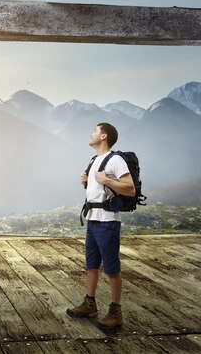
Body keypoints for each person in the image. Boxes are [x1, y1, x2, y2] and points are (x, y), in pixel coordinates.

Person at [66, 122, 135, 330]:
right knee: (91, 264)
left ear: (104, 136)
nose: (91, 133)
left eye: (95, 131)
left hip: (108, 222)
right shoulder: (95, 160)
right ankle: (90, 304)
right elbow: (99, 187)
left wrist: (106, 180)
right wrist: (87, 182)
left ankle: (116, 311)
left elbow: (130, 189)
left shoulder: (116, 160)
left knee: (112, 268)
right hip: (93, 219)